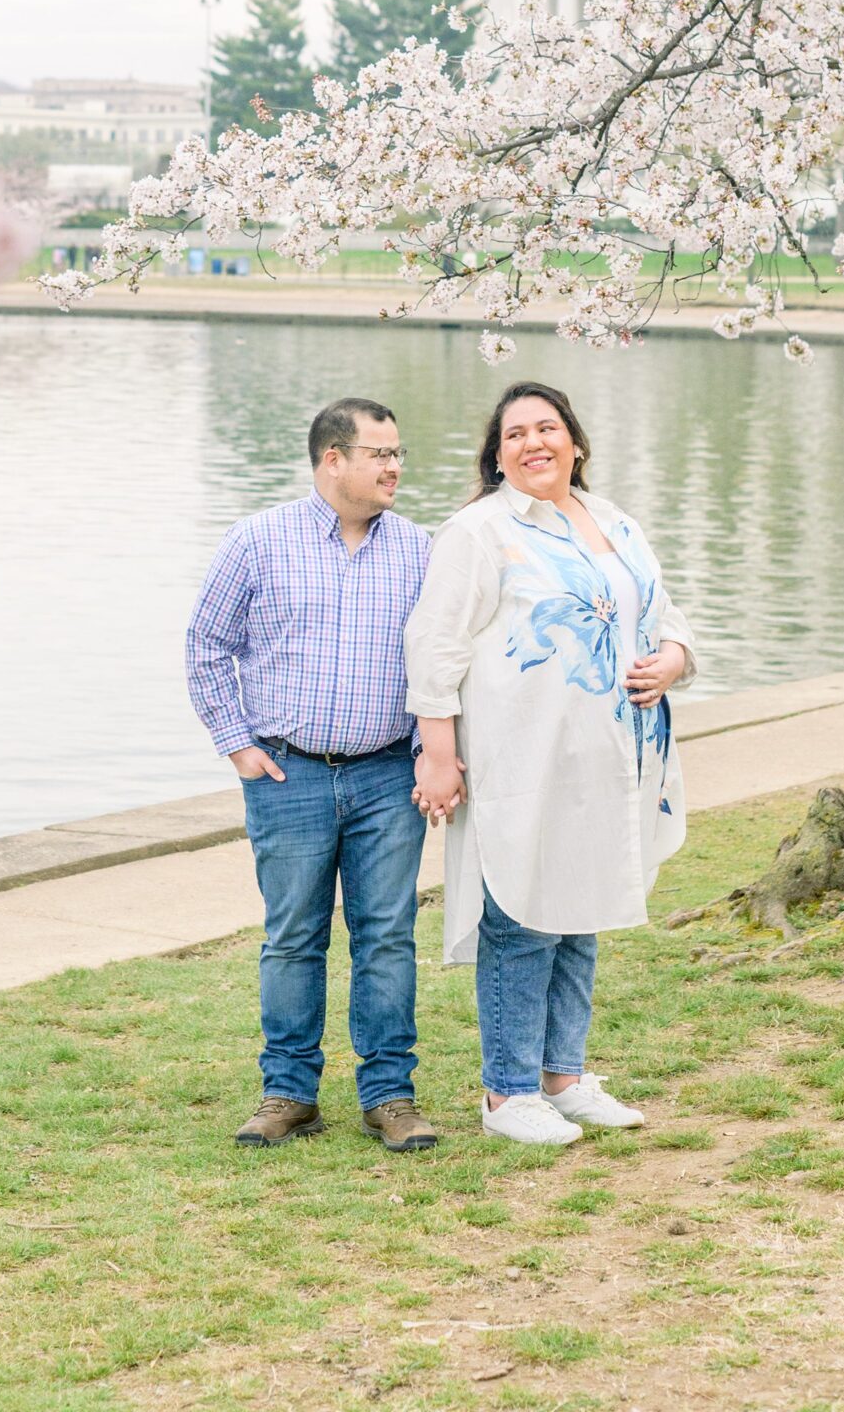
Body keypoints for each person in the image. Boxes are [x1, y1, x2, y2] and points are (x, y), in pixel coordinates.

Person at [407, 381, 696, 1149]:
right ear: (496, 457)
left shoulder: (613, 521)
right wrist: (439, 753)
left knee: (581, 912)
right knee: (522, 916)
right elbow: (434, 644)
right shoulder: (478, 532)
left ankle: (563, 1078)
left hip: (613, 759)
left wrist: (673, 658)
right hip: (522, 756)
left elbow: (664, 618)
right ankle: (507, 1092)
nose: (533, 442)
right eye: (514, 435)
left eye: (546, 427)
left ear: (574, 441)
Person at [185, 396, 437, 1154]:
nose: (395, 467)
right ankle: (289, 1093)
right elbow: (205, 645)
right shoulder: (256, 542)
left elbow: (445, 662)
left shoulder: (423, 551)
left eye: (397, 453)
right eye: (379, 454)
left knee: (386, 937)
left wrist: (434, 750)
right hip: (286, 775)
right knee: (292, 938)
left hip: (388, 776)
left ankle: (389, 1096)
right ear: (333, 459)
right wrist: (238, 744)